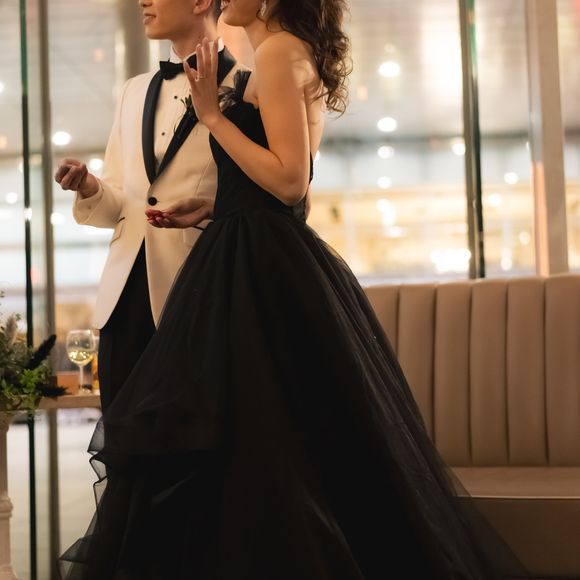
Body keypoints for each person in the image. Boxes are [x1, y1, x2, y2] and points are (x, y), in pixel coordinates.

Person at [60, 0, 530, 578]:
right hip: (219, 256)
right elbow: (277, 187)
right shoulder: (262, 58)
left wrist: (212, 118)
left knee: (253, 450)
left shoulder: (276, 55)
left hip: (241, 269)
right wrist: (212, 207)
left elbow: (290, 185)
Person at [54, 0, 240, 411]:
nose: (143, 1)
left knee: (191, 438)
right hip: (123, 301)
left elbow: (264, 199)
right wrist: (89, 187)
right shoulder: (133, 91)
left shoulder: (246, 85)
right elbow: (121, 205)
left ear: (200, 2)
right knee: (123, 439)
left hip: (199, 292)